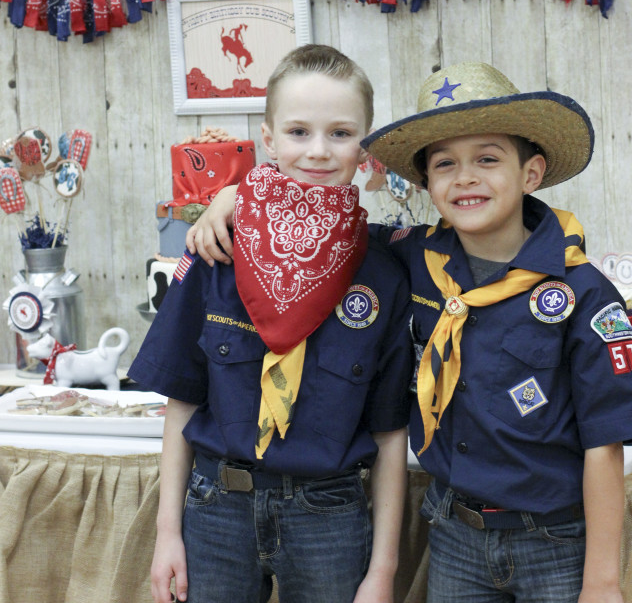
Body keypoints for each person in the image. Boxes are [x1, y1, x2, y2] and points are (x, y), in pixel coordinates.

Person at [190, 60, 632, 603]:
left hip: (557, 540)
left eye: (488, 159)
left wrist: (604, 582)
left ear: (532, 173)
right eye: (445, 164)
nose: (465, 178)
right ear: (426, 182)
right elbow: (319, 219)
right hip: (455, 536)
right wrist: (234, 198)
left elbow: (605, 448)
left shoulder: (583, 295)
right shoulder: (410, 255)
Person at [129, 44, 412, 603]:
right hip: (216, 511)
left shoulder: (383, 270)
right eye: (299, 131)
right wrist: (167, 536)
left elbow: (390, 432)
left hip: (329, 516)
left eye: (340, 133)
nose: (318, 150)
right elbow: (182, 405)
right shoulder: (216, 248)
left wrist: (383, 571)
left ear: (366, 147)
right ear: (268, 138)